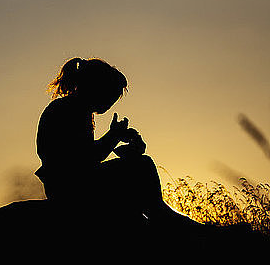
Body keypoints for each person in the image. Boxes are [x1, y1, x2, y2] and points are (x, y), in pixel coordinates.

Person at [35, 57, 198, 228]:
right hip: (68, 187)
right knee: (143, 164)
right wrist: (113, 136)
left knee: (138, 165)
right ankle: (159, 212)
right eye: (110, 96)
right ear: (96, 87)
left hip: (70, 183)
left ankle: (155, 211)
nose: (110, 103)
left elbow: (87, 157)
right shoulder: (67, 110)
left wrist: (117, 140)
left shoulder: (77, 110)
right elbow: (84, 159)